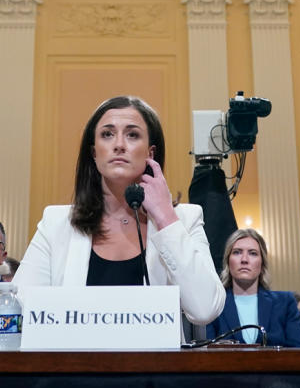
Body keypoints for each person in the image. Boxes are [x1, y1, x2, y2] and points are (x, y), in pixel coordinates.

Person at [13, 95, 225, 326]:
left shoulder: (185, 219)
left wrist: (165, 218)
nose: (119, 144)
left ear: (150, 154)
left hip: (156, 362)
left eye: (132, 134)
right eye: (107, 134)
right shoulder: (56, 223)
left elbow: (205, 310)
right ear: (94, 154)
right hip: (74, 360)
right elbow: (19, 306)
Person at [205, 228, 300, 347]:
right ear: (228, 261)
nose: (244, 260)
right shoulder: (214, 304)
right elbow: (206, 355)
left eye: (253, 253)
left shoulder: (285, 302)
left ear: (262, 263)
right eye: (237, 252)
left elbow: (298, 353)